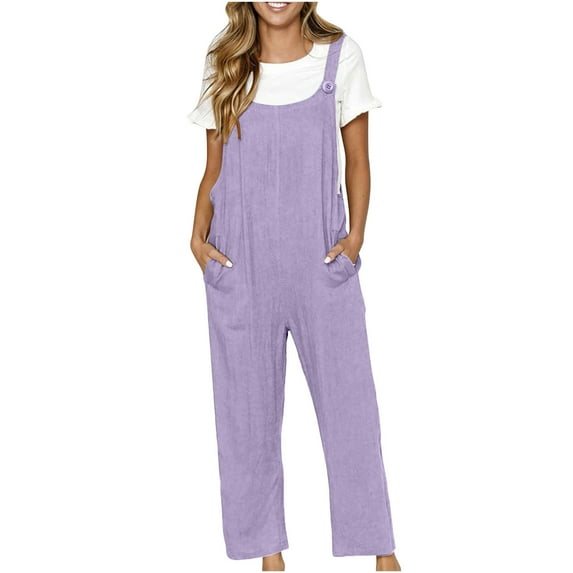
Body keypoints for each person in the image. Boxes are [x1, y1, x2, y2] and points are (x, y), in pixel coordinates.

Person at [188, 3, 401, 571]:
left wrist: (354, 238)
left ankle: (382, 551)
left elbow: (358, 159)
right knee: (246, 414)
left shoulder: (340, 58)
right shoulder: (225, 60)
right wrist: (197, 237)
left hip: (321, 262)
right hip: (240, 261)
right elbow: (213, 166)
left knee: (351, 407)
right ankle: (270, 556)